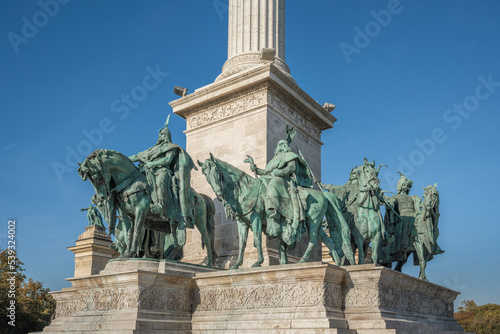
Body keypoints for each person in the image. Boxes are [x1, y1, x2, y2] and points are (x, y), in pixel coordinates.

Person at [129, 114, 196, 228]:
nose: (160, 136)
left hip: (162, 171)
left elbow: (168, 159)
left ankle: (161, 205)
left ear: (167, 136)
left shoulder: (170, 147)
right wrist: (123, 160)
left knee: (160, 183)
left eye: (163, 134)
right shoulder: (152, 149)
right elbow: (137, 156)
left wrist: (153, 163)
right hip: (148, 171)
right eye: (160, 134)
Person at [249, 127, 313, 244]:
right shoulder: (274, 159)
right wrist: (256, 169)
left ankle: (274, 212)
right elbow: (266, 172)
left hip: (283, 179)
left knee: (273, 184)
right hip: (270, 177)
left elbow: (291, 168)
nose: (282, 145)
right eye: (280, 144)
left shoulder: (289, 155)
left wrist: (280, 172)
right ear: (278, 147)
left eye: (284, 144)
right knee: (260, 184)